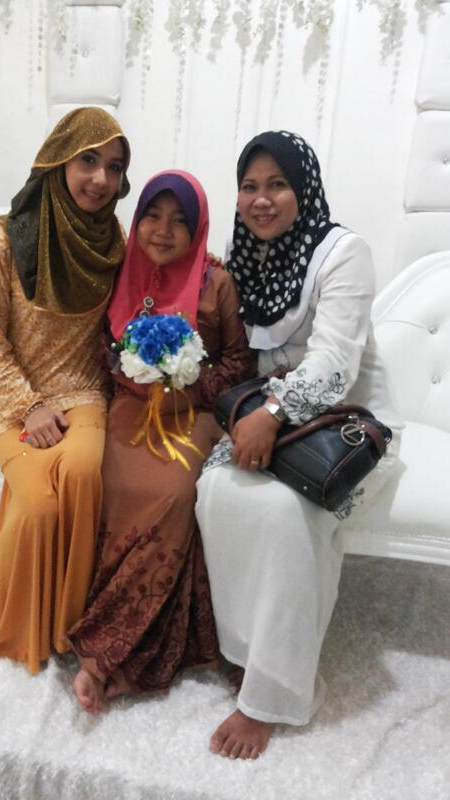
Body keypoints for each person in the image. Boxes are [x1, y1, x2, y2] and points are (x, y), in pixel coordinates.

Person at [195, 130, 403, 760]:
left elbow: (335, 363)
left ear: (303, 189)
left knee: (286, 513)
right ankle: (244, 651)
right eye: (249, 187)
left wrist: (274, 411)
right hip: (267, 423)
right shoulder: (246, 259)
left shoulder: (344, 253)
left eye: (278, 184)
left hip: (347, 430)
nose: (261, 200)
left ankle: (273, 695)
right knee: (215, 491)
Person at [66, 170, 257, 713]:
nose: (163, 230)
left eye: (179, 221)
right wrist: (133, 370)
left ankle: (113, 652)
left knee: (171, 493)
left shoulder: (216, 283)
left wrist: (188, 378)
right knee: (103, 480)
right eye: (152, 215)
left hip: (194, 412)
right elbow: (100, 347)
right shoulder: (119, 271)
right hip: (131, 406)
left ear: (197, 229)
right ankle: (97, 629)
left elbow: (240, 363)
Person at [0, 107, 131, 675]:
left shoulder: (113, 241)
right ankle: (18, 631)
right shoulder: (1, 238)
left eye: (114, 167)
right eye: (88, 160)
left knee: (84, 472)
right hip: (17, 396)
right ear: (59, 159)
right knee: (38, 505)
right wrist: (29, 406)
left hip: (84, 389)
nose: (101, 179)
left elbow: (152, 281)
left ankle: (69, 628)